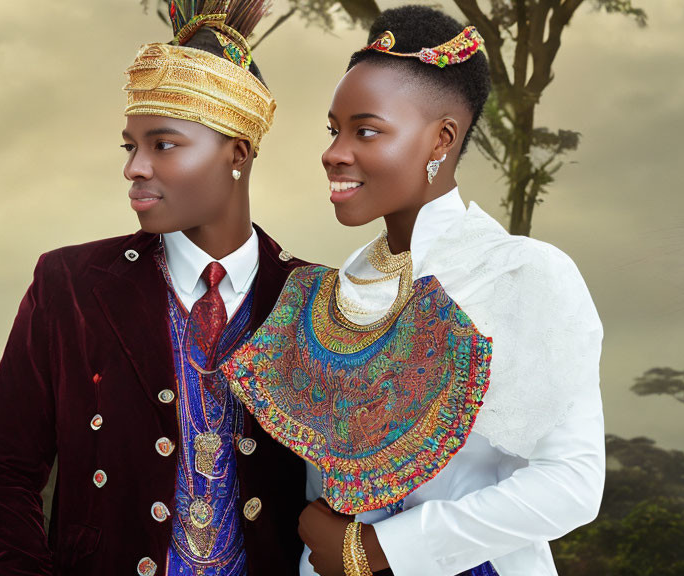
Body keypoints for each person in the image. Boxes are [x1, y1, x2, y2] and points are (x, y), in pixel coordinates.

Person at [224, 5, 605, 575]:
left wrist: (382, 550)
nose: (333, 152)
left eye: (366, 131)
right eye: (334, 130)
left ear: (440, 141)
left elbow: (571, 483)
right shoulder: (334, 289)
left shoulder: (521, 275)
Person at [0, 2, 309, 574]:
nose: (134, 168)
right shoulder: (69, 287)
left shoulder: (315, 297)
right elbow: (5, 474)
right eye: (131, 146)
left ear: (238, 153)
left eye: (163, 144)